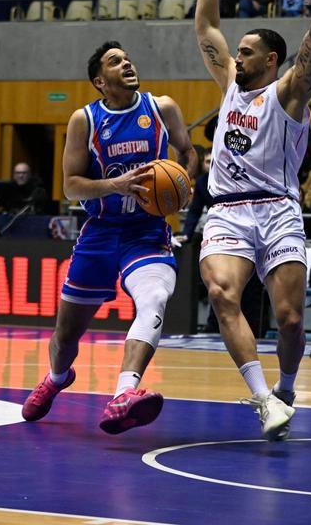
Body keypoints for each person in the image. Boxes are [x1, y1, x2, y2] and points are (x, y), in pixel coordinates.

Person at [193, 0, 311, 440]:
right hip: (228, 210)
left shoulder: (288, 93)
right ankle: (262, 399)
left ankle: (286, 387)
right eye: (237, 51)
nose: (236, 56)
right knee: (222, 293)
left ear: (271, 59)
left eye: (247, 51)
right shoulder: (230, 83)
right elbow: (205, 27)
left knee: (291, 319)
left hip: (278, 208)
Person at [21, 43, 194, 433]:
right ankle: (57, 378)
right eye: (115, 61)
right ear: (100, 81)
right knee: (66, 336)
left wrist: (185, 183)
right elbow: (70, 186)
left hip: (147, 232)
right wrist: (115, 184)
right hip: (100, 232)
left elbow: (187, 152)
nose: (127, 63)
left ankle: (124, 393)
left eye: (127, 58)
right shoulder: (84, 120)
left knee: (155, 298)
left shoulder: (162, 108)